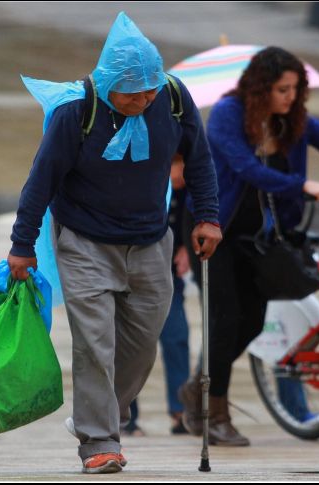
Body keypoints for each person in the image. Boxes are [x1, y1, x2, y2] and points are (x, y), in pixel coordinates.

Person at [7, 12, 220, 474]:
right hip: (85, 241)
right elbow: (40, 182)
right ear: (107, 84)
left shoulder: (174, 98)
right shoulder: (75, 112)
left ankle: (99, 412)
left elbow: (200, 160)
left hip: (150, 241)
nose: (142, 100)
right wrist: (21, 246)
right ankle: (99, 441)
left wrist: (208, 218)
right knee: (94, 344)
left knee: (143, 346)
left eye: (149, 90)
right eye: (132, 92)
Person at [178, 46, 319, 446]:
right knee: (225, 319)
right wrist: (302, 185)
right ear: (262, 87)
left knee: (251, 321)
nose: (290, 97)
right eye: (282, 89)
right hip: (214, 229)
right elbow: (246, 169)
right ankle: (216, 414)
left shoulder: (291, 120)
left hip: (262, 239)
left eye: (296, 89)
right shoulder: (228, 115)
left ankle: (197, 386)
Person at [123, 155, 192, 438]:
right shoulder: (137, 174)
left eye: (182, 166)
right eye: (173, 166)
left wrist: (186, 246)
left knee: (176, 338)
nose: (178, 175)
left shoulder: (190, 186)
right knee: (128, 344)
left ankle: (181, 412)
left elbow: (198, 213)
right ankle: (126, 414)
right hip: (129, 266)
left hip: (169, 272)